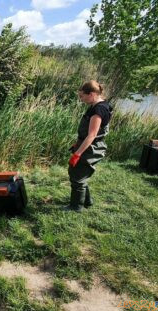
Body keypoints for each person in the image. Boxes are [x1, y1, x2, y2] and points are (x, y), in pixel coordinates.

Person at [65, 80, 113, 212]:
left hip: (92, 147)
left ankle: (76, 207)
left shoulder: (99, 110)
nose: (81, 99)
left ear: (91, 94)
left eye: (82, 96)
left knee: (77, 176)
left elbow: (91, 135)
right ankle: (87, 201)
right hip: (87, 144)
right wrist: (78, 143)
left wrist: (77, 154)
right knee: (80, 173)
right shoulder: (97, 105)